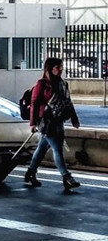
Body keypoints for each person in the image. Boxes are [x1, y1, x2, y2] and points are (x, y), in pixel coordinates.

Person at [24, 57, 82, 190]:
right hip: (47, 121)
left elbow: (68, 102)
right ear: (50, 68)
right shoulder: (42, 84)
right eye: (58, 67)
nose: (61, 69)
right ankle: (66, 177)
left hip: (58, 120)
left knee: (42, 148)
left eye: (61, 66)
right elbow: (34, 103)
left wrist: (74, 118)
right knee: (57, 148)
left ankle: (31, 172)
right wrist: (32, 123)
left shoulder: (63, 84)